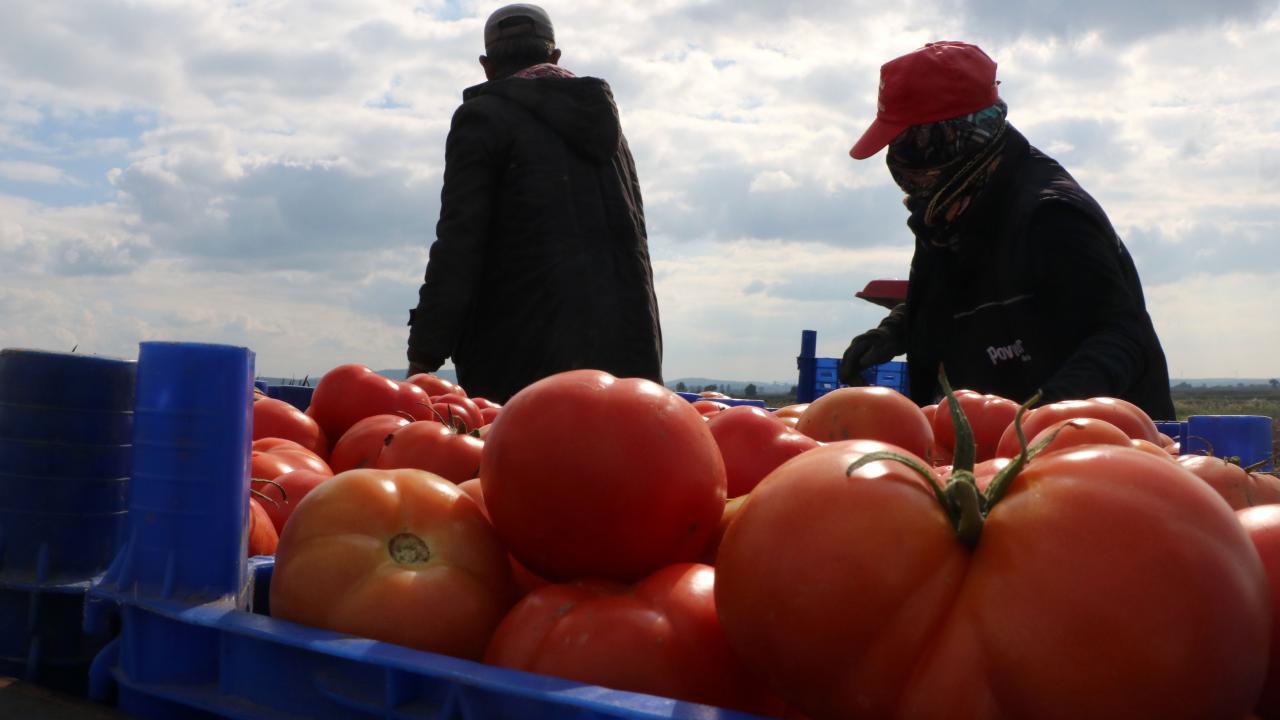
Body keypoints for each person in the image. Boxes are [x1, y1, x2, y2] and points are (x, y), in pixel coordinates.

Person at [838, 41, 1175, 420]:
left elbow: (1121, 337)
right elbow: (950, 297)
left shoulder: (1051, 215)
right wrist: (894, 331)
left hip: (1094, 445)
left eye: (909, 144)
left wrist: (1042, 414)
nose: (898, 161)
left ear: (952, 136)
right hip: (990, 444)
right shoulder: (947, 210)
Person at [406, 4, 662, 402]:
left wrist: (424, 355)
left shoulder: (481, 118)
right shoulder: (608, 132)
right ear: (555, 56)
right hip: (626, 364)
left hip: (523, 367)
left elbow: (459, 242)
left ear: (486, 66)